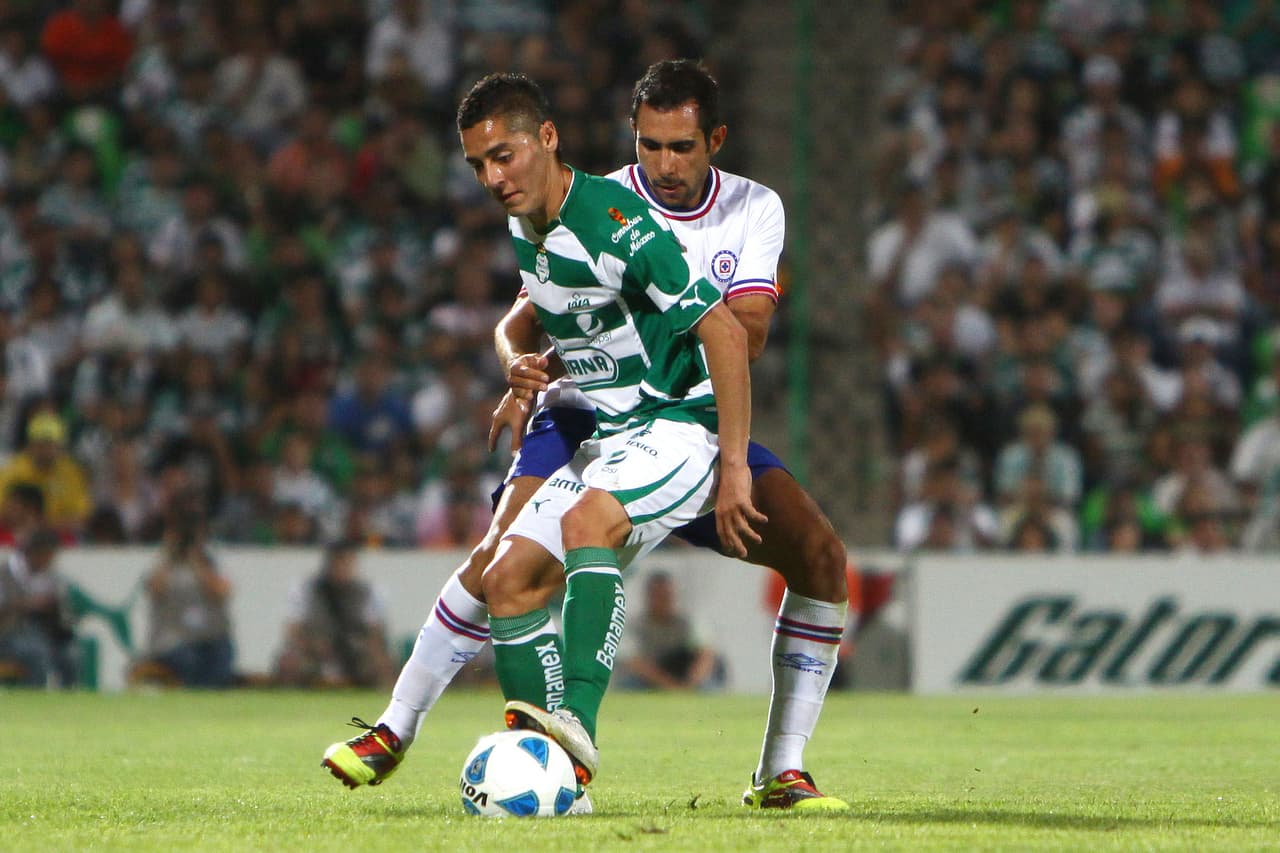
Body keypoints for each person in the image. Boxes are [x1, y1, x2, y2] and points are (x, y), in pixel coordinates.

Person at [324, 62, 849, 811]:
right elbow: (527, 313)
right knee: (502, 565)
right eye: (649, 146)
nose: (663, 165)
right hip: (586, 411)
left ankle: (769, 765)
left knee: (820, 554)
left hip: (677, 413)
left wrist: (730, 455)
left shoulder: (728, 211)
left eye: (681, 147)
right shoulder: (549, 207)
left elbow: (741, 333)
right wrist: (519, 368)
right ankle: (418, 732)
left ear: (714, 142)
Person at [138, 495, 234, 687]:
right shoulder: (165, 566)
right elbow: (154, 589)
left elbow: (222, 591)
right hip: (173, 641)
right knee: (187, 659)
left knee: (222, 654)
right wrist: (168, 552)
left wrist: (196, 561)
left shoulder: (209, 564)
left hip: (208, 638)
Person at [275, 540, 395, 688]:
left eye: (347, 563)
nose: (342, 568)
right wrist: (313, 645)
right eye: (338, 562)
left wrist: (375, 656)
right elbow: (293, 630)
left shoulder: (368, 593)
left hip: (354, 653)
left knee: (382, 663)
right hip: (314, 652)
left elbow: (375, 634)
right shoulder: (305, 590)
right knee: (289, 661)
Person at [619, 572, 724, 691]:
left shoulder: (687, 621)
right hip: (653, 677)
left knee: (708, 685)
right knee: (629, 684)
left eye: (667, 595)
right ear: (649, 597)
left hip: (685, 673)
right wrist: (671, 686)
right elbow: (633, 662)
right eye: (658, 596)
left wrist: (692, 683)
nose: (664, 601)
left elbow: (706, 653)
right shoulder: (636, 625)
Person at [0, 528, 77, 687]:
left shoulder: (51, 577)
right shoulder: (5, 573)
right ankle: (34, 697)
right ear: (35, 553)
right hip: (8, 633)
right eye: (48, 556)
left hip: (41, 632)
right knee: (37, 652)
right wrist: (27, 604)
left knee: (70, 654)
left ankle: (67, 701)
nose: (50, 561)